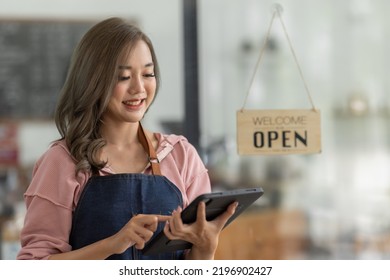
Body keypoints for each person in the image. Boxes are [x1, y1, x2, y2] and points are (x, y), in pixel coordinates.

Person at [17, 17, 237, 260]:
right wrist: (113, 244)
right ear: (93, 81)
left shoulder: (181, 156)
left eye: (148, 74)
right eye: (123, 77)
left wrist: (206, 248)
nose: (139, 88)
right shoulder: (62, 161)